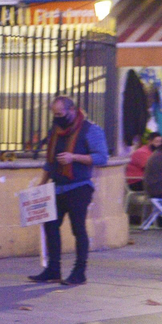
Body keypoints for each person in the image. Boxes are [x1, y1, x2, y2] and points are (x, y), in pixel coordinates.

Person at [30, 96, 108, 285]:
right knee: (50, 225)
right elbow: (50, 161)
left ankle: (79, 272)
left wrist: (74, 157)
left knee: (78, 229)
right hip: (57, 186)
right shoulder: (55, 131)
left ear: (72, 110)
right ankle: (53, 269)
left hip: (79, 187)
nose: (57, 118)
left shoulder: (90, 130)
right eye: (54, 114)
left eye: (60, 114)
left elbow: (102, 157)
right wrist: (42, 183)